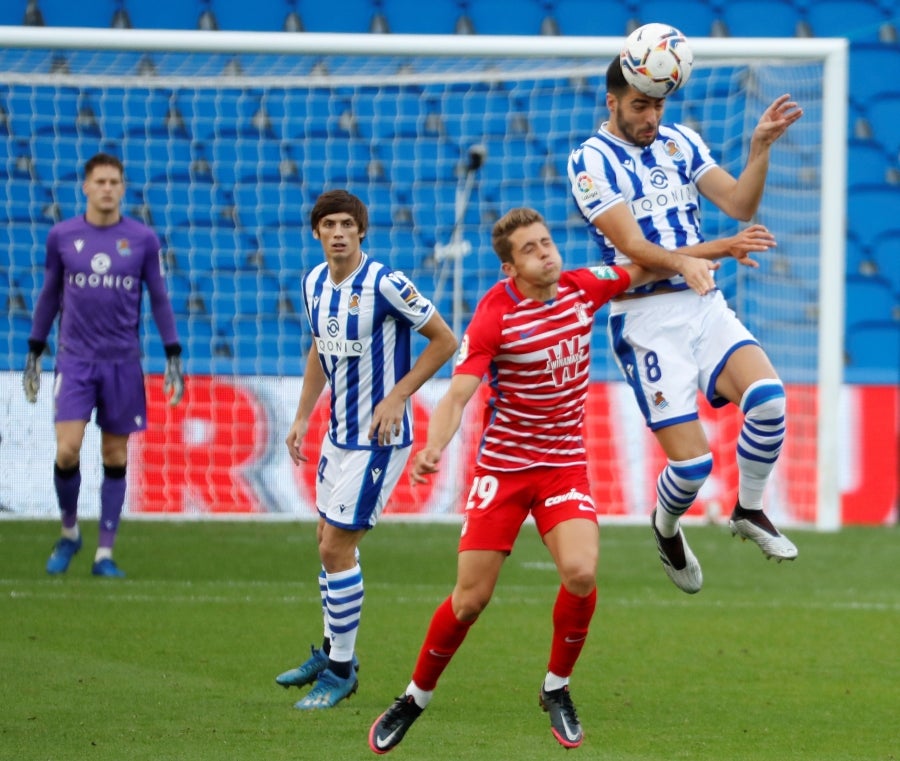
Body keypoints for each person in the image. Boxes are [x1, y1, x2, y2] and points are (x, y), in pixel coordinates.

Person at [368, 207, 679, 754]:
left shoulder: (583, 288)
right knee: (470, 600)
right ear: (511, 267)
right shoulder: (493, 316)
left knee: (581, 572)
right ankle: (415, 697)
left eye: (546, 241)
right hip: (504, 472)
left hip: (562, 466)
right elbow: (460, 392)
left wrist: (715, 253)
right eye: (531, 249)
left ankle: (555, 687)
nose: (546, 252)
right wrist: (434, 445)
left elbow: (650, 266)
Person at [566, 55, 803, 595]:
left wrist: (759, 150)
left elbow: (740, 203)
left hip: (701, 302)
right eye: (639, 106)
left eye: (657, 106)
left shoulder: (681, 142)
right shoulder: (590, 161)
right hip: (645, 317)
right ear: (613, 102)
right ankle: (666, 526)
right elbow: (632, 250)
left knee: (768, 399)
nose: (650, 117)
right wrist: (708, 250)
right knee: (693, 467)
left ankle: (749, 508)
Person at [275, 190, 457, 711]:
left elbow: (445, 340)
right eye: (328, 224)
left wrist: (399, 396)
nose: (338, 232)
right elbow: (319, 348)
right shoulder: (313, 282)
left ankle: (339, 673)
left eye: (347, 224)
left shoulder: (386, 283)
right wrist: (302, 415)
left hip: (378, 440)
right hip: (337, 432)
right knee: (326, 541)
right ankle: (335, 651)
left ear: (361, 231)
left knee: (337, 546)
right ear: (317, 233)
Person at [23, 152, 184, 579]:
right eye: (101, 181)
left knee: (115, 454)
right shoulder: (62, 236)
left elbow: (160, 298)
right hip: (75, 361)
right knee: (68, 448)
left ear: (122, 188)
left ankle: (103, 554)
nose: (108, 188)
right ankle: (70, 531)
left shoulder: (143, 240)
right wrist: (35, 349)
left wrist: (172, 353)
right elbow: (48, 294)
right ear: (86, 187)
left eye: (115, 181)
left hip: (122, 363)